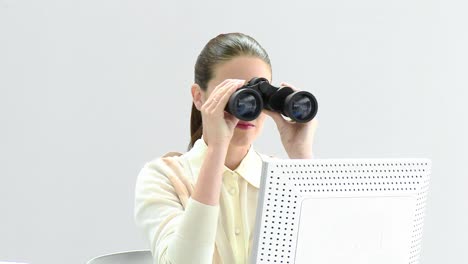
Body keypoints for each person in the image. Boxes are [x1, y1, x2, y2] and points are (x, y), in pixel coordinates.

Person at [134, 32, 318, 264]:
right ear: (198, 97)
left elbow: (329, 253)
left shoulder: (283, 178)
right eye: (233, 94)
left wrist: (300, 156)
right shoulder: (164, 177)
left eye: (257, 95)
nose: (248, 105)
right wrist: (217, 148)